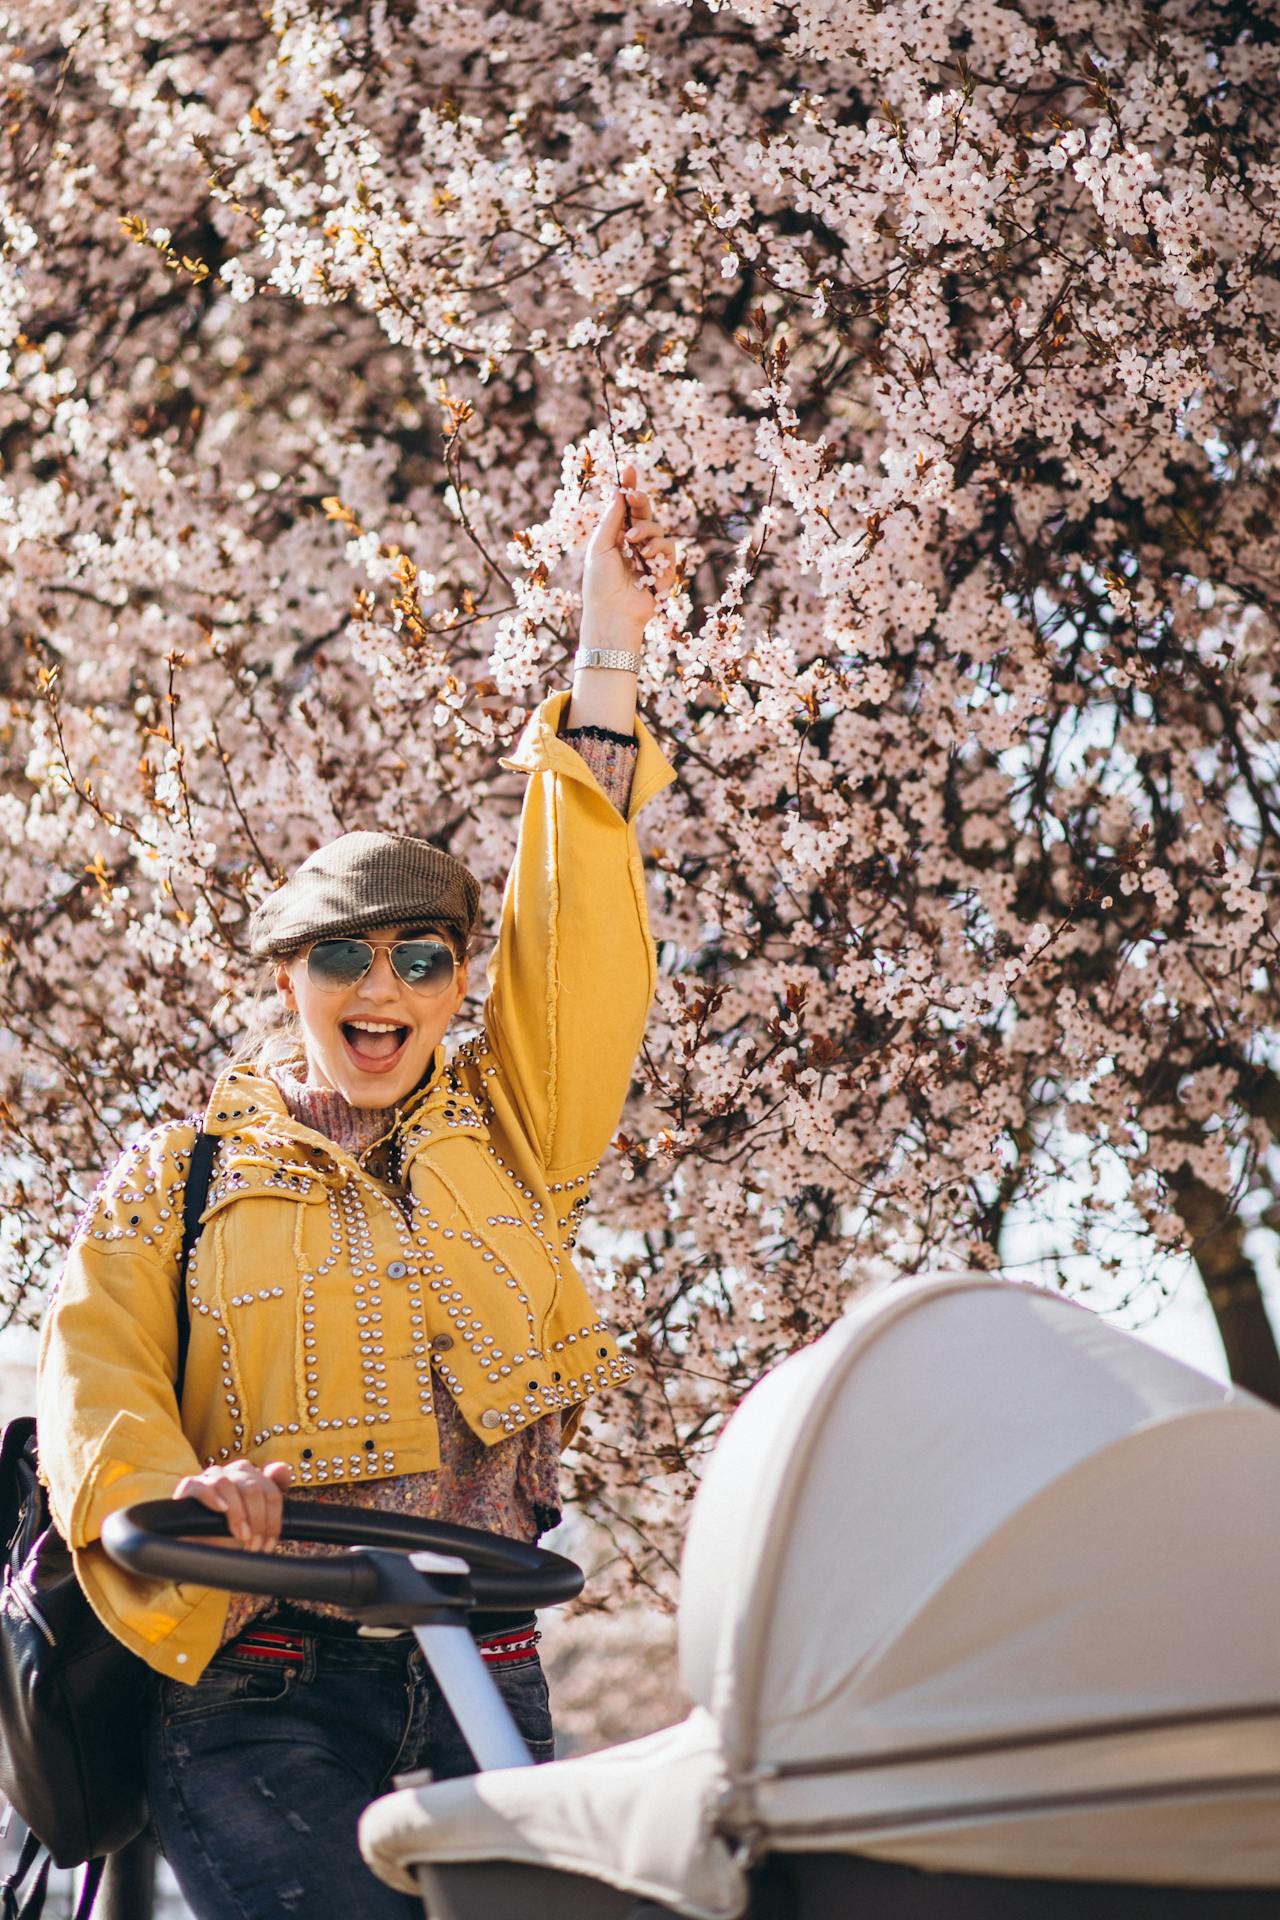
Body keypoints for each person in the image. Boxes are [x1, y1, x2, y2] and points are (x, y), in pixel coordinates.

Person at [35, 459, 678, 1919]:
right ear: (287, 981)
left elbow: (575, 922)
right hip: (267, 1689)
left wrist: (608, 645)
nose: (380, 988)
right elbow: (98, 1385)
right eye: (342, 957)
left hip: (487, 1670)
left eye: (420, 958)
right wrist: (181, 1497)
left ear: (459, 984)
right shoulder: (175, 1185)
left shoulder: (512, 1131)